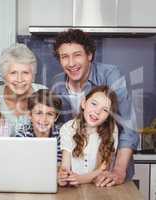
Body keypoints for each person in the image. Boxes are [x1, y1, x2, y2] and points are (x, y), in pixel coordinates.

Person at [52, 29, 139, 187]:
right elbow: (61, 134)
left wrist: (118, 171)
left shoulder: (110, 75)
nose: (71, 63)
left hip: (107, 176)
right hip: (73, 179)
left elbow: (127, 126)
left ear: (89, 55)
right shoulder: (57, 85)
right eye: (64, 57)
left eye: (77, 55)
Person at [58, 85, 119, 186]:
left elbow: (104, 168)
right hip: (74, 190)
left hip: (99, 189)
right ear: (84, 103)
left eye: (105, 110)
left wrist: (81, 179)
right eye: (94, 104)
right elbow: (65, 166)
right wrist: (64, 176)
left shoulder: (112, 130)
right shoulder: (68, 128)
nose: (97, 111)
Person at [0, 43, 47, 134]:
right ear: (4, 76)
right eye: (13, 73)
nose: (19, 79)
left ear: (33, 75)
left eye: (25, 72)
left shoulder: (43, 93)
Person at [15, 89, 62, 162]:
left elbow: (59, 164)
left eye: (50, 114)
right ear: (30, 115)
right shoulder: (23, 135)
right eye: (39, 113)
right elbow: (19, 161)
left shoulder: (61, 136)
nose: (44, 119)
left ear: (56, 117)